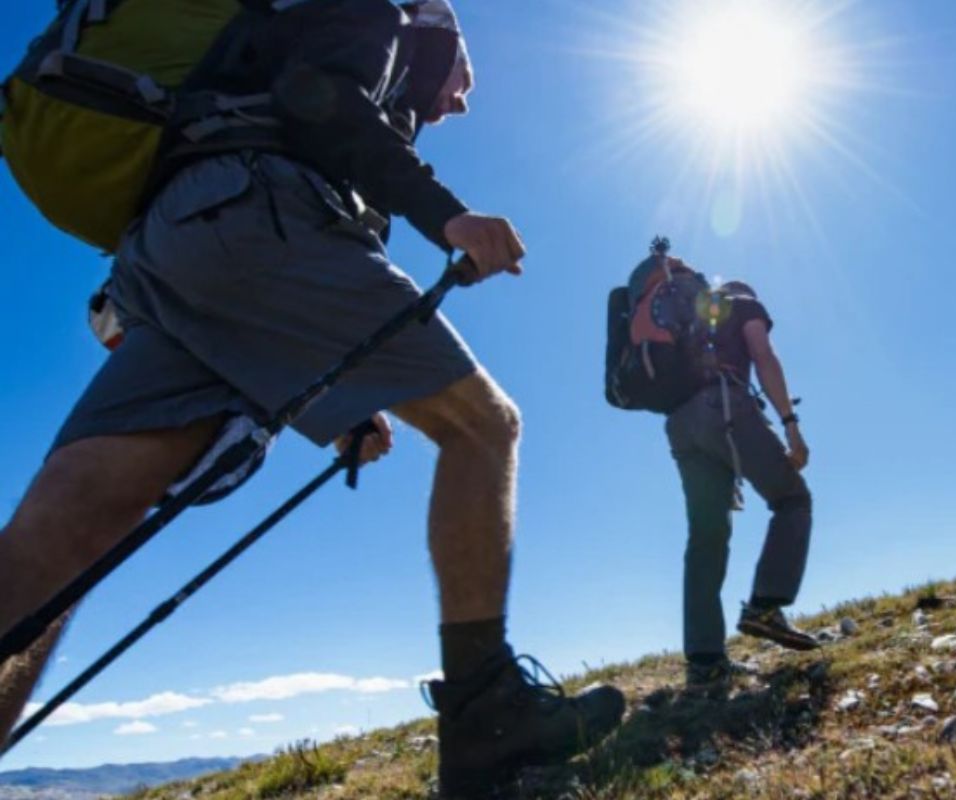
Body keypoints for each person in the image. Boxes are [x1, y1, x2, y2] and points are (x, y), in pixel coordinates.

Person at [0, 0, 623, 794]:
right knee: (483, 427)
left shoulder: (259, 41)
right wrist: (448, 216)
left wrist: (335, 410)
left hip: (169, 251)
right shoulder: (381, 11)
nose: (460, 101)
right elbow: (315, 96)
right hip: (257, 209)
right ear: (437, 31)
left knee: (60, 537)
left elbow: (273, 294)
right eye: (464, 74)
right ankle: (485, 716)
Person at [652, 264, 817, 692]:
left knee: (706, 537)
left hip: (680, 426)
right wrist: (791, 425)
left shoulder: (688, 321)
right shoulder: (743, 304)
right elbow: (763, 356)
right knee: (792, 499)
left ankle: (705, 662)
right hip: (722, 407)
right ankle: (766, 606)